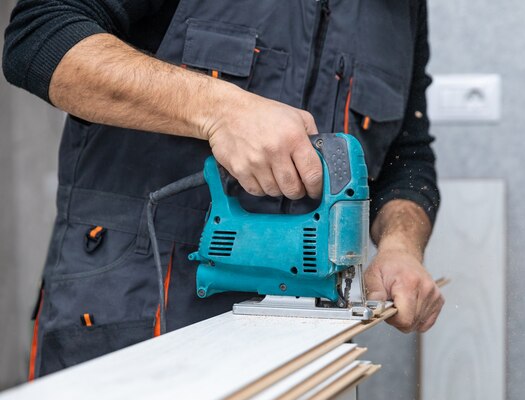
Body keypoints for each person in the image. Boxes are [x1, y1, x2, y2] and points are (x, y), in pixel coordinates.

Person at [3, 0, 444, 379]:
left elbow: (409, 155)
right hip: (137, 305)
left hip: (302, 336)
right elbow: (40, 34)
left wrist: (401, 246)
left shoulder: (401, 8)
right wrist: (218, 110)